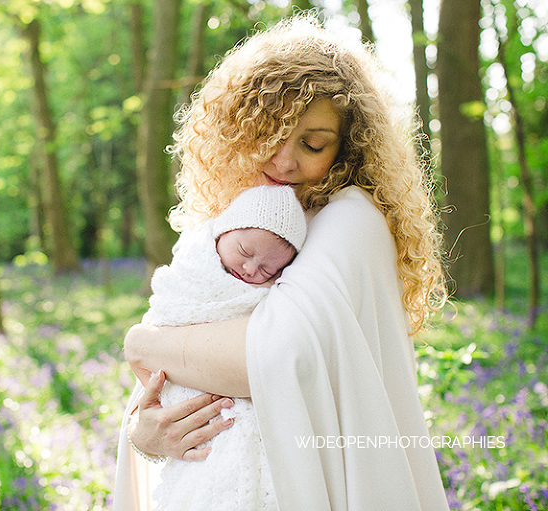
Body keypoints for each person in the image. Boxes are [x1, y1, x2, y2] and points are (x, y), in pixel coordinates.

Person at [114, 13, 449, 511]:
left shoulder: (349, 218)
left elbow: (283, 355)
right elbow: (180, 362)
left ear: (347, 147)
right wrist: (145, 433)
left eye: (312, 143)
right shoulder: (231, 222)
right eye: (268, 133)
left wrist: (141, 342)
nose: (285, 161)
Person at [138, 185, 306, 510]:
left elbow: (270, 337)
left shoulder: (272, 290)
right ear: (222, 232)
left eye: (268, 270)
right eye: (244, 252)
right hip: (182, 384)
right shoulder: (193, 264)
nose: (250, 270)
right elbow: (167, 307)